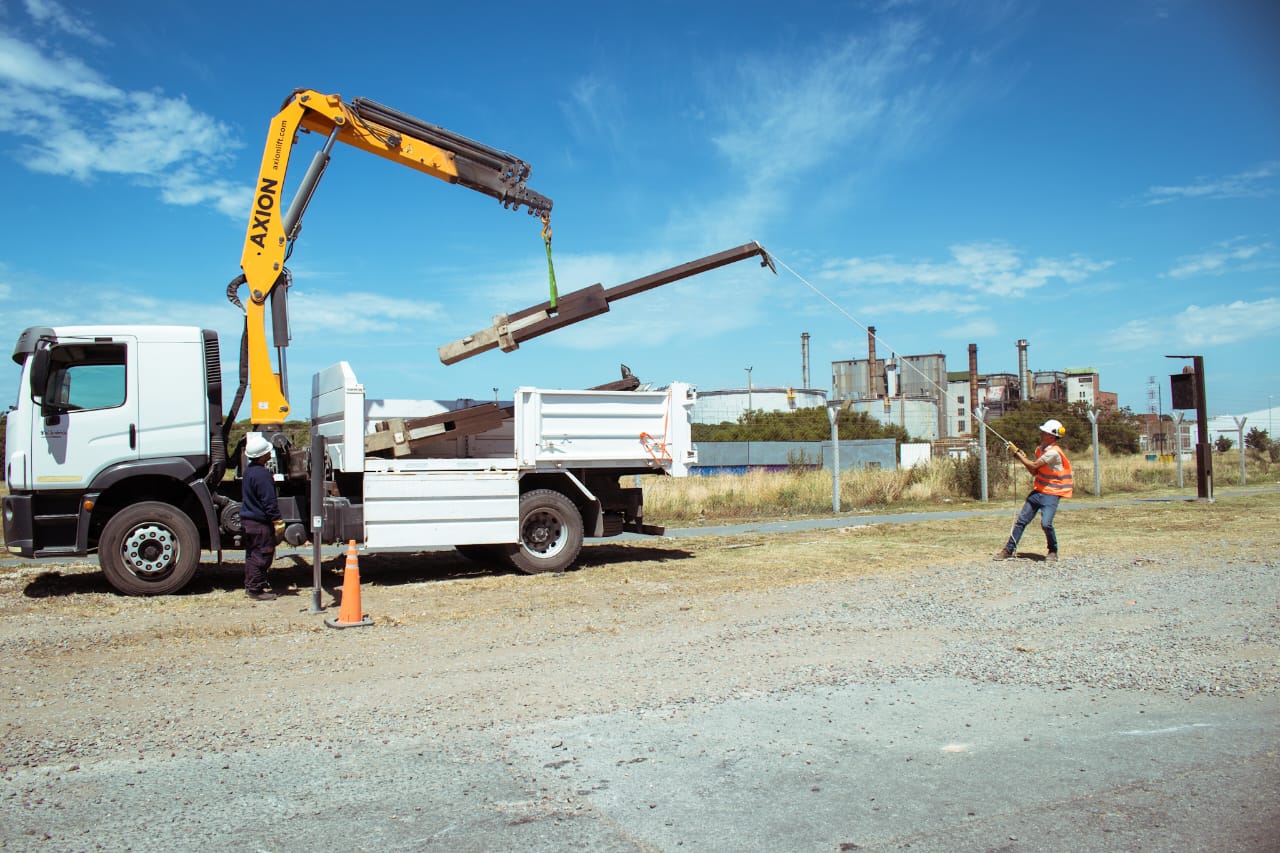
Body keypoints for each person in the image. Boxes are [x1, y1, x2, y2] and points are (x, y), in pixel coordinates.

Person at [994, 418, 1073, 562]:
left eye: (1044, 432)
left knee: (1046, 524)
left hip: (1052, 494)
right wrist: (1021, 457)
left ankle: (1053, 551)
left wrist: (1018, 455)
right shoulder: (1040, 450)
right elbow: (1034, 471)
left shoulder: (1053, 453)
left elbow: (1034, 465)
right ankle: (1008, 550)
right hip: (1038, 491)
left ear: (1051, 436)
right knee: (1021, 521)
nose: (1041, 433)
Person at [240, 432, 285, 600]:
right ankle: (255, 590)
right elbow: (269, 501)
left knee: (252, 554)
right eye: (268, 451)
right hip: (259, 522)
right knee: (262, 555)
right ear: (262, 455)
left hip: (249, 520)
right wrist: (277, 520)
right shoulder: (262, 475)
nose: (269, 454)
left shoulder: (249, 472)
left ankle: (251, 586)